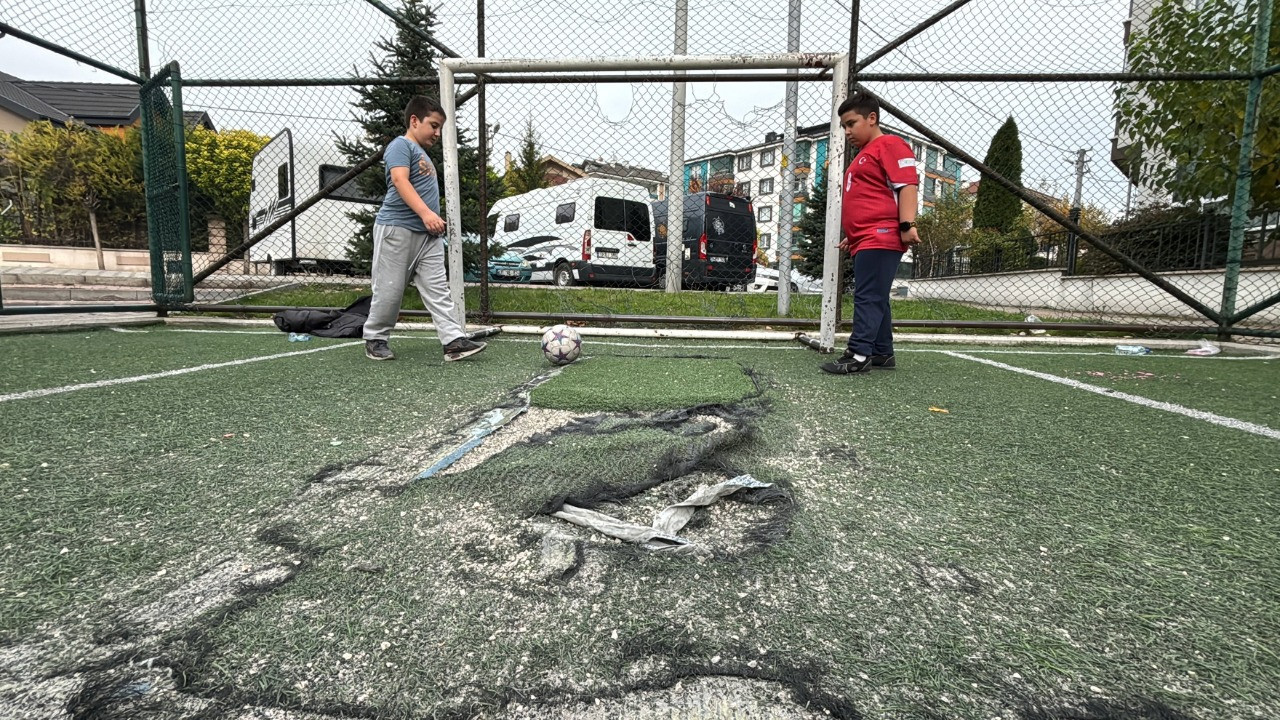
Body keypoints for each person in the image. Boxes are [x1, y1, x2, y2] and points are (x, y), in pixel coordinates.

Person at [362, 95, 486, 362]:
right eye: (433, 125)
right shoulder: (400, 145)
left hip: (427, 237)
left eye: (440, 127)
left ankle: (453, 341)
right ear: (414, 121)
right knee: (390, 289)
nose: (437, 132)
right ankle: (375, 338)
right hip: (397, 229)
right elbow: (398, 180)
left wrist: (431, 221)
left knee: (438, 289)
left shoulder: (424, 156)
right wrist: (426, 213)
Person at [820, 92, 920, 375]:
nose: (847, 131)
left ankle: (859, 353)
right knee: (876, 295)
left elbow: (906, 185)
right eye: (844, 126)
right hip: (866, 236)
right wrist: (853, 234)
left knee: (868, 296)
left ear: (872, 118)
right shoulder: (865, 155)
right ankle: (882, 352)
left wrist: (906, 225)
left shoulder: (889, 144)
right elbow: (870, 198)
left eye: (851, 123)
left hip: (882, 235)